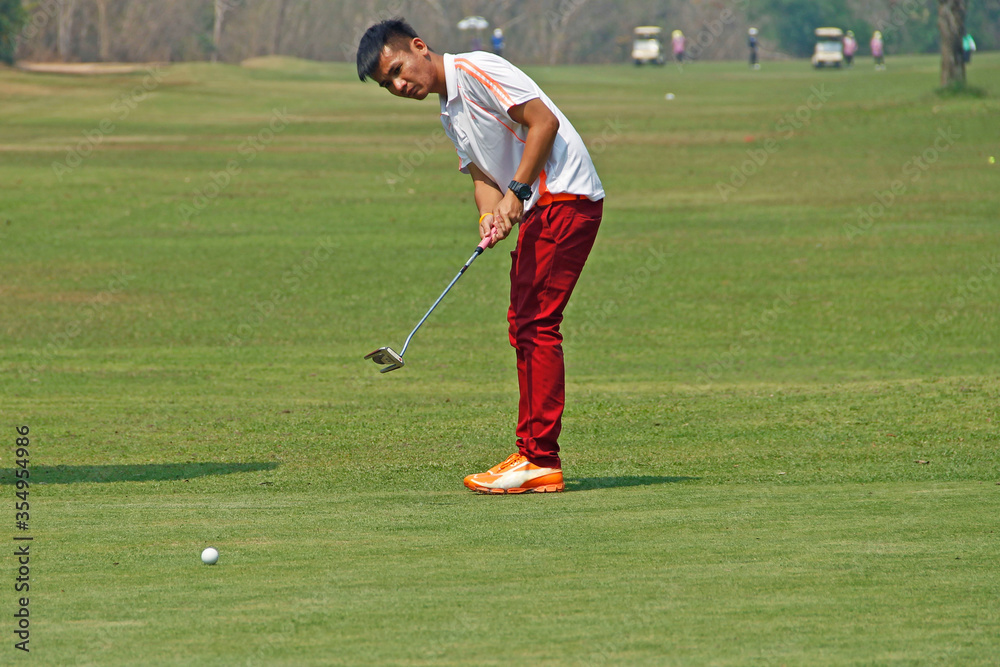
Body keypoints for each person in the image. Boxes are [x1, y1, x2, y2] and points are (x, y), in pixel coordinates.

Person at [357, 19, 605, 494]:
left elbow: (543, 121)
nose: (399, 84)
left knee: (535, 324)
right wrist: (490, 216)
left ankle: (539, 458)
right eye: (388, 84)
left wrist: (519, 191)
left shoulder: (477, 69)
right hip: (543, 205)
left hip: (564, 196)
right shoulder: (449, 114)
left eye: (398, 70)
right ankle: (534, 456)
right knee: (525, 324)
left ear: (419, 47)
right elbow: (482, 178)